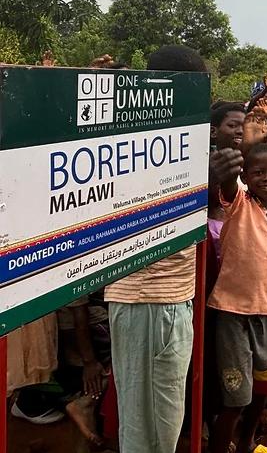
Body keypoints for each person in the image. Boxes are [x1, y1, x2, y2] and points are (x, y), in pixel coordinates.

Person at [104, 45, 209, 453]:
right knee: (151, 433)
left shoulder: (176, 140)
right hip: (149, 301)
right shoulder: (142, 146)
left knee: (159, 425)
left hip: (168, 300)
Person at [208, 144, 267, 453]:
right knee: (236, 399)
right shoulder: (238, 202)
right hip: (233, 313)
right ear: (246, 176)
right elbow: (228, 186)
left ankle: (247, 442)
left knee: (264, 389)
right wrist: (227, 172)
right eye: (258, 172)